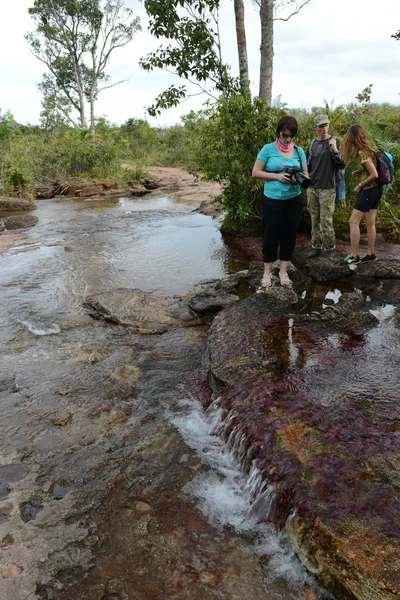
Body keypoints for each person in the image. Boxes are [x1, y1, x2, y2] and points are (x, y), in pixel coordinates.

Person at [252, 115, 307, 288]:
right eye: (285, 135)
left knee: (289, 236)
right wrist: (276, 176)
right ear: (278, 133)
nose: (288, 139)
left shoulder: (299, 151)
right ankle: (267, 273)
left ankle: (283, 271)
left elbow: (306, 176)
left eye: (291, 136)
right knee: (270, 236)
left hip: (293, 199)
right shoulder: (268, 149)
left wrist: (295, 179)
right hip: (272, 200)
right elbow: (255, 172)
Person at [338, 124, 383, 265]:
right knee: (370, 223)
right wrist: (361, 172)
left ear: (352, 137)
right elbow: (373, 169)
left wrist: (360, 185)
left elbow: (374, 174)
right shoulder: (370, 147)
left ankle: (355, 256)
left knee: (353, 222)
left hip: (369, 190)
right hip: (378, 189)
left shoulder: (362, 152)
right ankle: (370, 254)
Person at [306, 114, 346, 258]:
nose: (324, 128)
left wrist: (335, 149)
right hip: (312, 187)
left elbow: (342, 164)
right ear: (315, 127)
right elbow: (307, 165)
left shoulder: (336, 141)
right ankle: (316, 246)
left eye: (326, 125)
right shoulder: (312, 144)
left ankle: (329, 248)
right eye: (320, 126)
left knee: (326, 219)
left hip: (328, 187)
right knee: (314, 218)